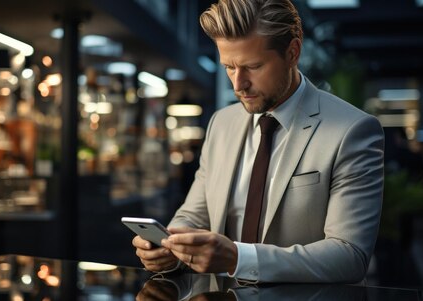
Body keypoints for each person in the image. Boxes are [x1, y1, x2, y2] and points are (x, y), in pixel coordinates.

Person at [132, 0, 384, 283]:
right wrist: (170, 246)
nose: (238, 84)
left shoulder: (352, 130)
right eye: (229, 67)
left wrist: (239, 258)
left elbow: (350, 257)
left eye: (253, 66)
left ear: (292, 53)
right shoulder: (221, 124)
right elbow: (193, 215)